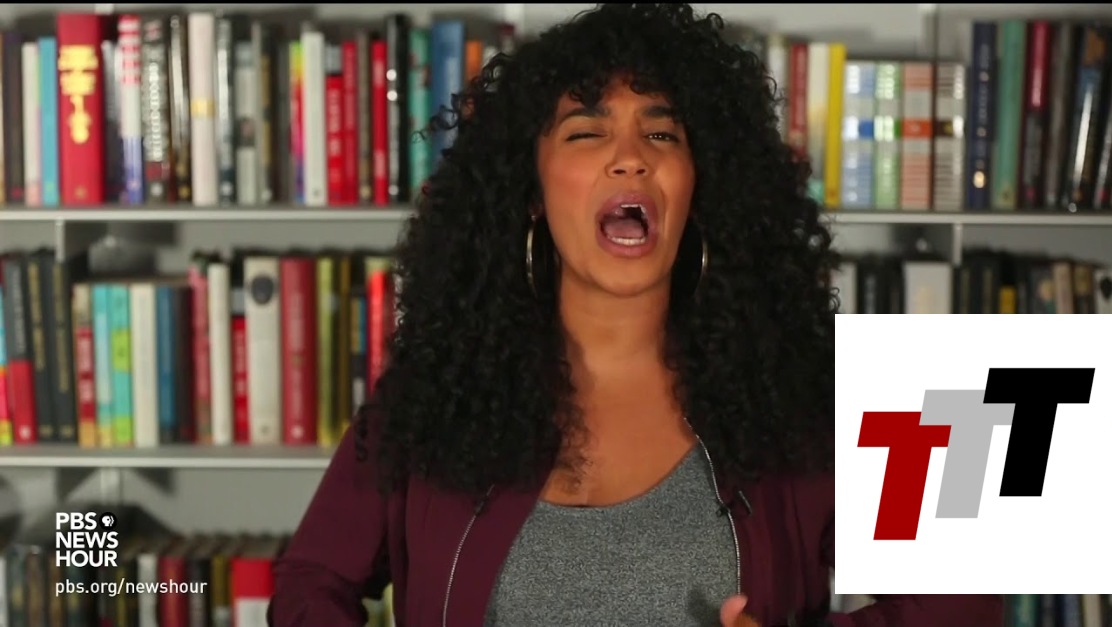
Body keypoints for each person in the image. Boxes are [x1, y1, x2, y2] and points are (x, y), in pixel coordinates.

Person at [269, 4, 1003, 626]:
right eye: (586, 132)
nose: (630, 158)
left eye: (661, 134)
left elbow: (962, 606)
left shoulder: (804, 392)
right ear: (531, 191)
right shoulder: (435, 394)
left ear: (699, 185)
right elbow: (309, 583)